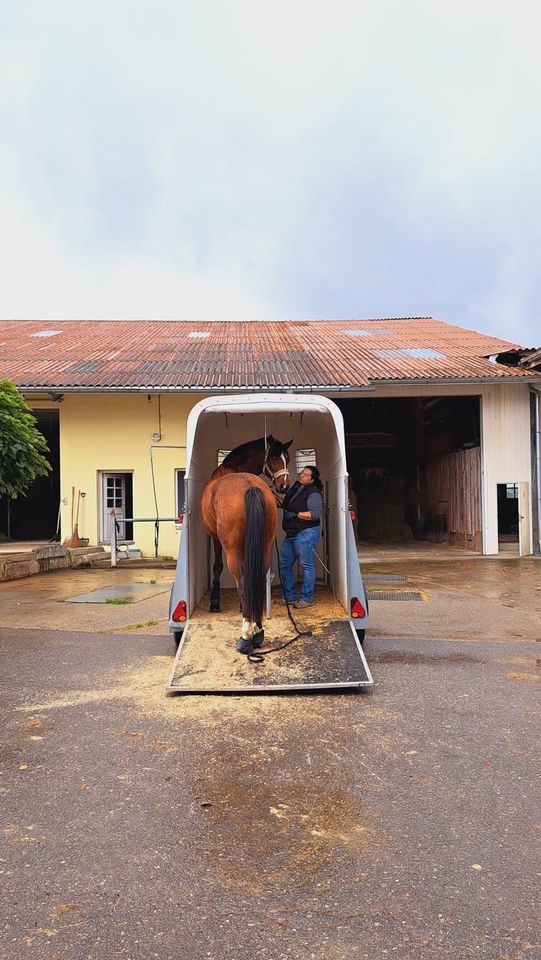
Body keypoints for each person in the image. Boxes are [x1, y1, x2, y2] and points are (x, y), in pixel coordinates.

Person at [278, 465, 323, 608]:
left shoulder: (314, 493)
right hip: (291, 533)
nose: (302, 475)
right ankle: (289, 596)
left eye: (306, 474)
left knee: (306, 565)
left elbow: (314, 514)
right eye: (302, 473)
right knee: (284, 565)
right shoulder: (297, 488)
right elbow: (286, 504)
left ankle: (307, 598)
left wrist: (296, 514)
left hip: (306, 532)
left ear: (312, 479)